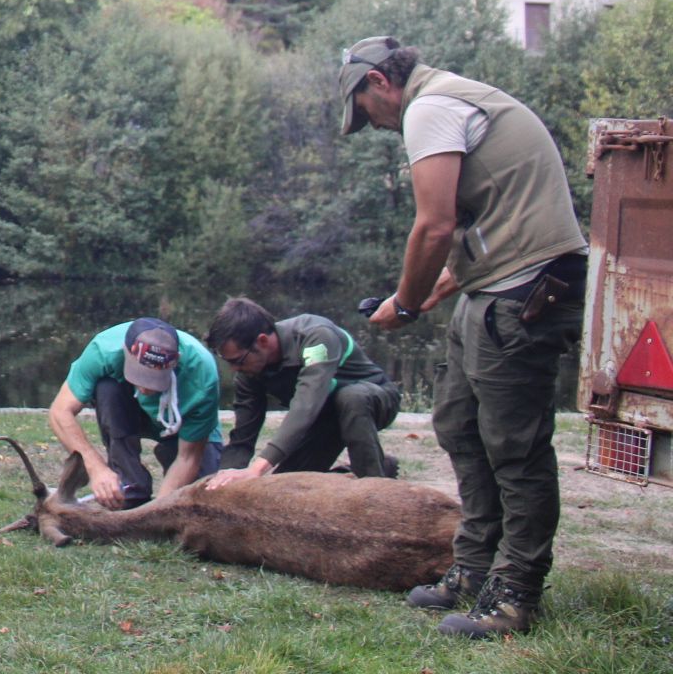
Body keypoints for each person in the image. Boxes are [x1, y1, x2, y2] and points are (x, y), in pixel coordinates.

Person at [338, 35, 587, 639]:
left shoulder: (430, 107)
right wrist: (424, 296)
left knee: (515, 445)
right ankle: (474, 567)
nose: (370, 126)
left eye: (363, 111)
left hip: (527, 288)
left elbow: (436, 225)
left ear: (378, 83)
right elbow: (474, 235)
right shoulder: (447, 102)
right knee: (457, 421)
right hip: (497, 284)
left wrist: (406, 303)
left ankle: (516, 595)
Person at [202, 297, 401, 487]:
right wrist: (223, 479)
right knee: (285, 490)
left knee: (350, 398)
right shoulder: (249, 371)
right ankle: (366, 470)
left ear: (262, 341)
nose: (234, 369)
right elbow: (243, 436)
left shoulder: (316, 337)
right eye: (229, 362)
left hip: (373, 402)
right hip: (324, 419)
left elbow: (306, 405)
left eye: (237, 361)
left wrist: (257, 468)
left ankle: (372, 482)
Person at [47, 317, 223, 509]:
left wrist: (155, 512)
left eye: (156, 378)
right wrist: (96, 468)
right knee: (107, 388)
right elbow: (60, 412)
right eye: (140, 374)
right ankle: (130, 485)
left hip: (183, 422)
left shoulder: (202, 373)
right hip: (129, 408)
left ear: (176, 361)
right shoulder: (103, 350)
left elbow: (188, 458)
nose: (147, 388)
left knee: (202, 500)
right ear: (126, 351)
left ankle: (158, 491)